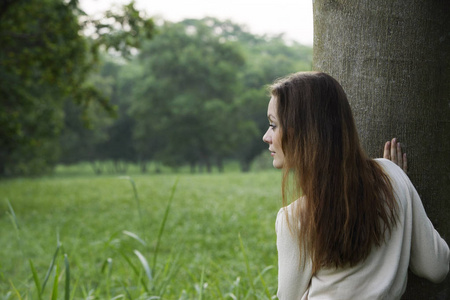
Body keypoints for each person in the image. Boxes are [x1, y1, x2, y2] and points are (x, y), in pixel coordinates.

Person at [262, 72, 449, 299]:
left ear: (304, 133)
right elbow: (437, 267)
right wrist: (398, 180)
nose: (266, 136)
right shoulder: (393, 177)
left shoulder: (296, 218)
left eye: (273, 125)